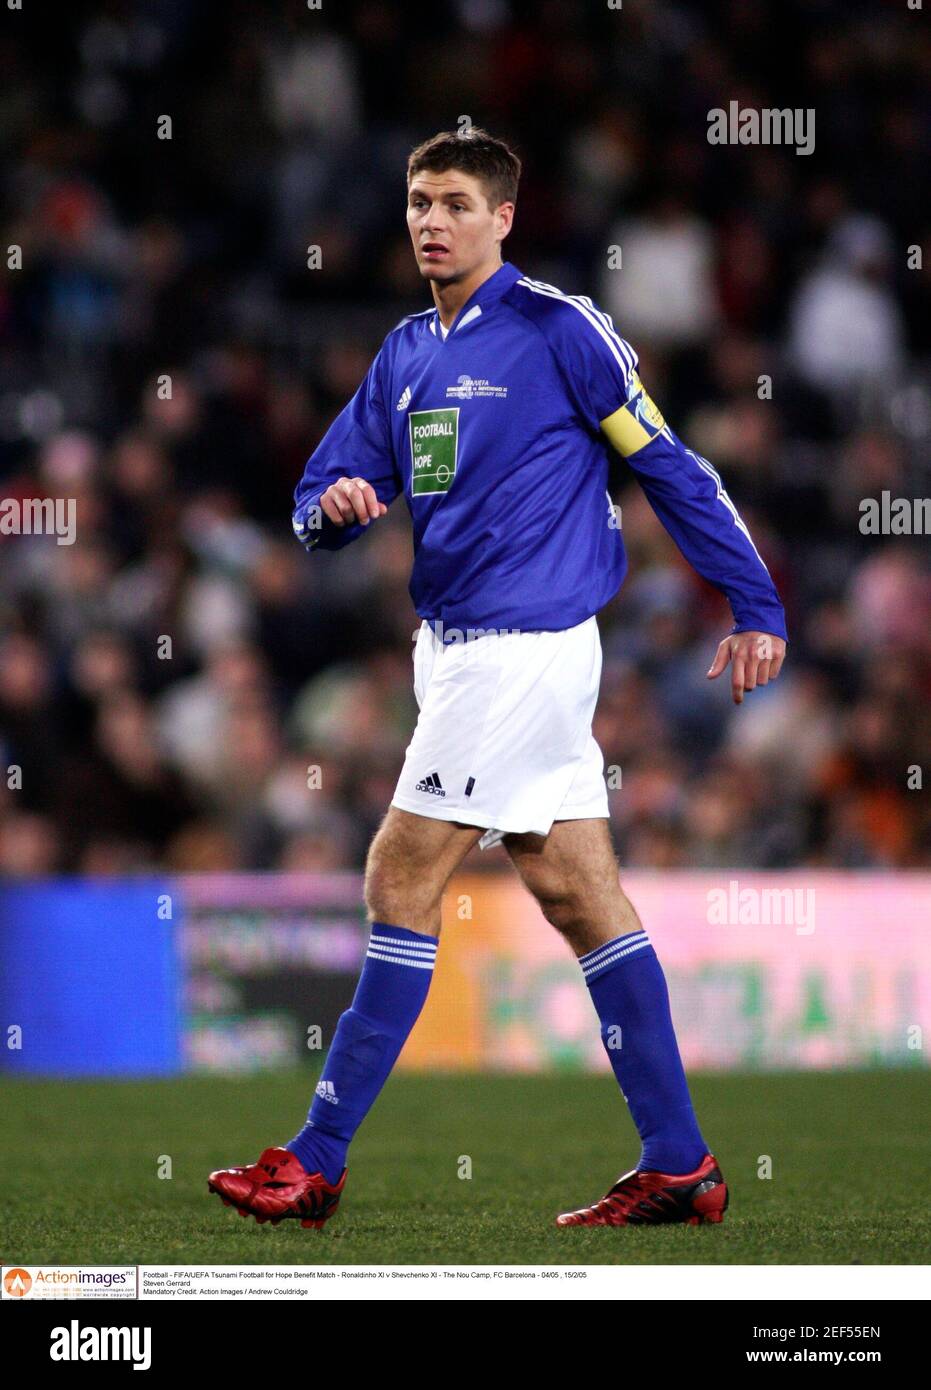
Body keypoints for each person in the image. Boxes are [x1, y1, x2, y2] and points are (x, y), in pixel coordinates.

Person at [208, 128, 787, 1231]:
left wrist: (753, 603)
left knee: (399, 876)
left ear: (504, 217)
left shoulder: (559, 330)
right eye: (419, 201)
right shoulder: (403, 354)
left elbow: (667, 461)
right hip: (456, 653)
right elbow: (324, 481)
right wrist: (326, 514)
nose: (431, 220)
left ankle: (314, 1157)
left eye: (455, 203)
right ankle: (679, 1162)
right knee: (577, 892)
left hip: (524, 648)